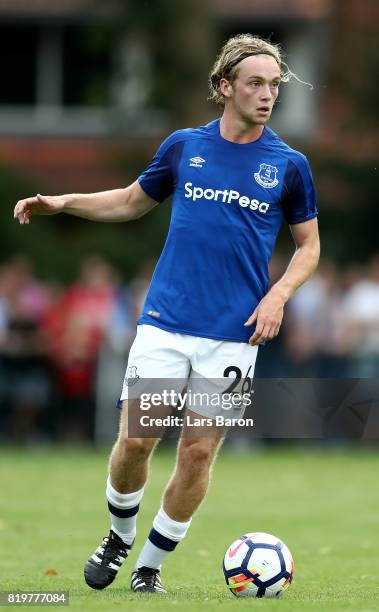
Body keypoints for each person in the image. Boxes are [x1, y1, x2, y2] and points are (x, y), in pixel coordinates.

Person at [14, 34, 320, 594]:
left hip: (234, 337)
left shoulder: (289, 165)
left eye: (275, 85)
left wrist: (278, 295)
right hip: (166, 324)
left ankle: (149, 567)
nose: (267, 94)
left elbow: (309, 247)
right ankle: (118, 535)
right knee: (136, 440)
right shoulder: (184, 147)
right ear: (224, 87)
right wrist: (65, 202)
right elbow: (132, 200)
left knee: (199, 451)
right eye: (255, 82)